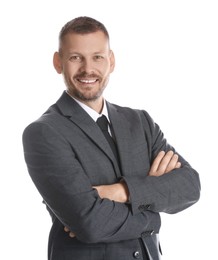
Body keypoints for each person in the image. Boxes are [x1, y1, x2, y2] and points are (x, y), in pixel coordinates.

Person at [22, 16, 201, 260]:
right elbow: (90, 224)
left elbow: (190, 186)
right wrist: (153, 209)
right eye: (76, 57)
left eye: (97, 57)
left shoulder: (140, 122)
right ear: (58, 62)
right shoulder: (44, 133)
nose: (88, 69)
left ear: (111, 61)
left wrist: (121, 192)